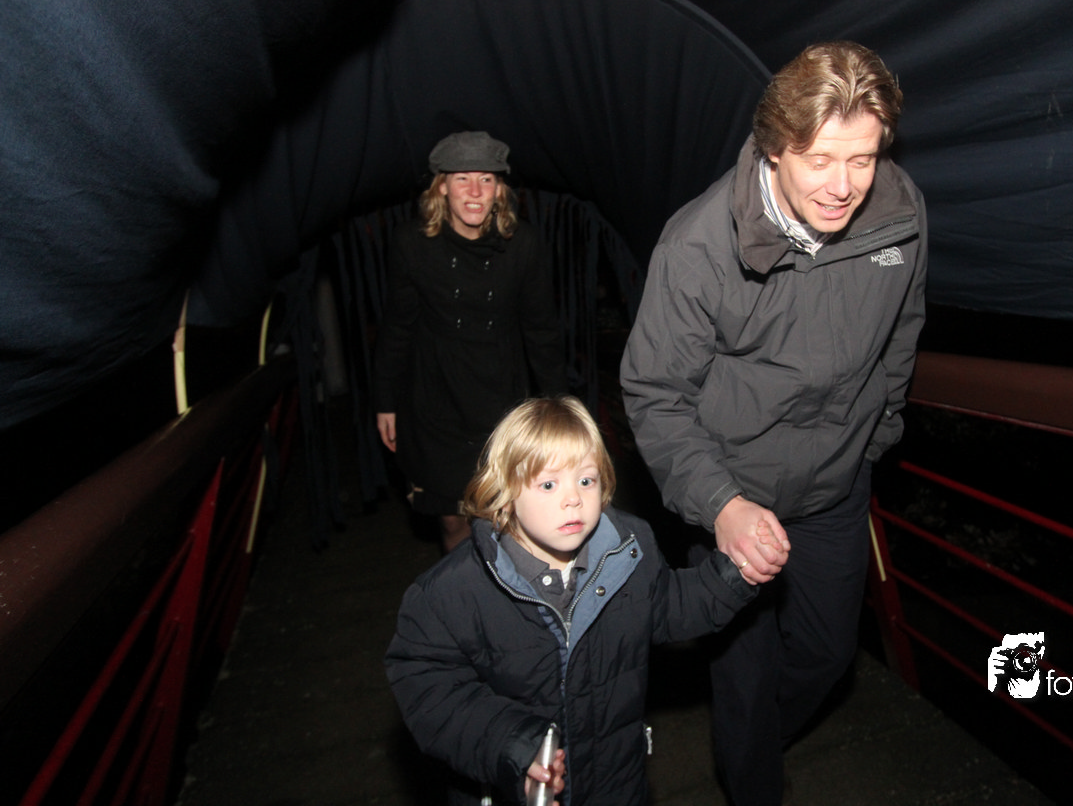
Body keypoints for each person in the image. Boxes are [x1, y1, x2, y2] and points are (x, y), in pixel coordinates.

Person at [619, 40, 927, 805]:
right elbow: (655, 393)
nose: (843, 185)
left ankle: (750, 740)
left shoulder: (900, 213)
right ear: (775, 146)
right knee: (745, 679)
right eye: (821, 160)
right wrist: (721, 505)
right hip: (734, 490)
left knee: (827, 657)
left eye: (863, 159)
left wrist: (877, 436)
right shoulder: (698, 246)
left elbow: (903, 333)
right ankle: (750, 770)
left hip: (835, 484)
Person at [384, 396, 758, 806]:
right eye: (548, 484)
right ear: (504, 491)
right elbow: (428, 686)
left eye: (586, 480)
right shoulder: (454, 591)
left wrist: (737, 572)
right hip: (512, 789)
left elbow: (671, 605)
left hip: (616, 783)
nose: (573, 499)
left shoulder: (628, 552)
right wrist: (512, 746)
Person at [373, 131, 566, 551]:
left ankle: (507, 591)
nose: (475, 192)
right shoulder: (412, 243)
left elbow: (542, 332)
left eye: (486, 179)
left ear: (500, 189)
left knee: (504, 518)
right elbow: (398, 326)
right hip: (436, 400)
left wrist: (561, 408)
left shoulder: (523, 244)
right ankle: (463, 590)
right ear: (441, 186)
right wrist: (385, 400)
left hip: (501, 400)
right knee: (453, 520)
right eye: (463, 179)